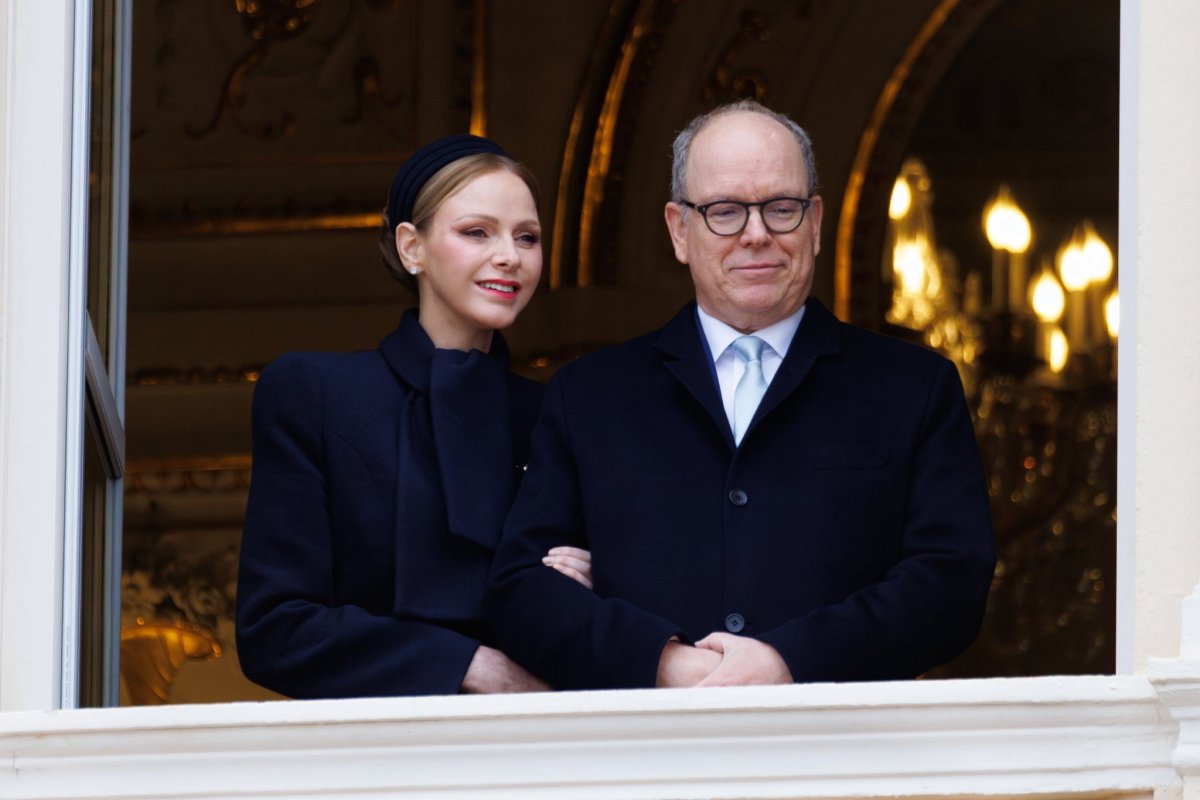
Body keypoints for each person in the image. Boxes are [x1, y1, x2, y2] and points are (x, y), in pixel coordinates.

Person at [487, 100, 996, 690]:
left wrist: (787, 662)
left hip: (845, 759)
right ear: (680, 230)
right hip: (650, 761)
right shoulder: (589, 394)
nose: (757, 234)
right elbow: (521, 590)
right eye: (725, 211)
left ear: (816, 222)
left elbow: (951, 584)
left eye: (781, 208)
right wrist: (667, 663)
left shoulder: (914, 387)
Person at [236, 134, 591, 698]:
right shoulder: (316, 392)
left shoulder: (558, 413)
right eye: (477, 231)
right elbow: (274, 630)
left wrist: (585, 590)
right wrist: (470, 666)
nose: (510, 255)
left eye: (528, 237)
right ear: (411, 248)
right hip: (374, 763)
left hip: (533, 757)